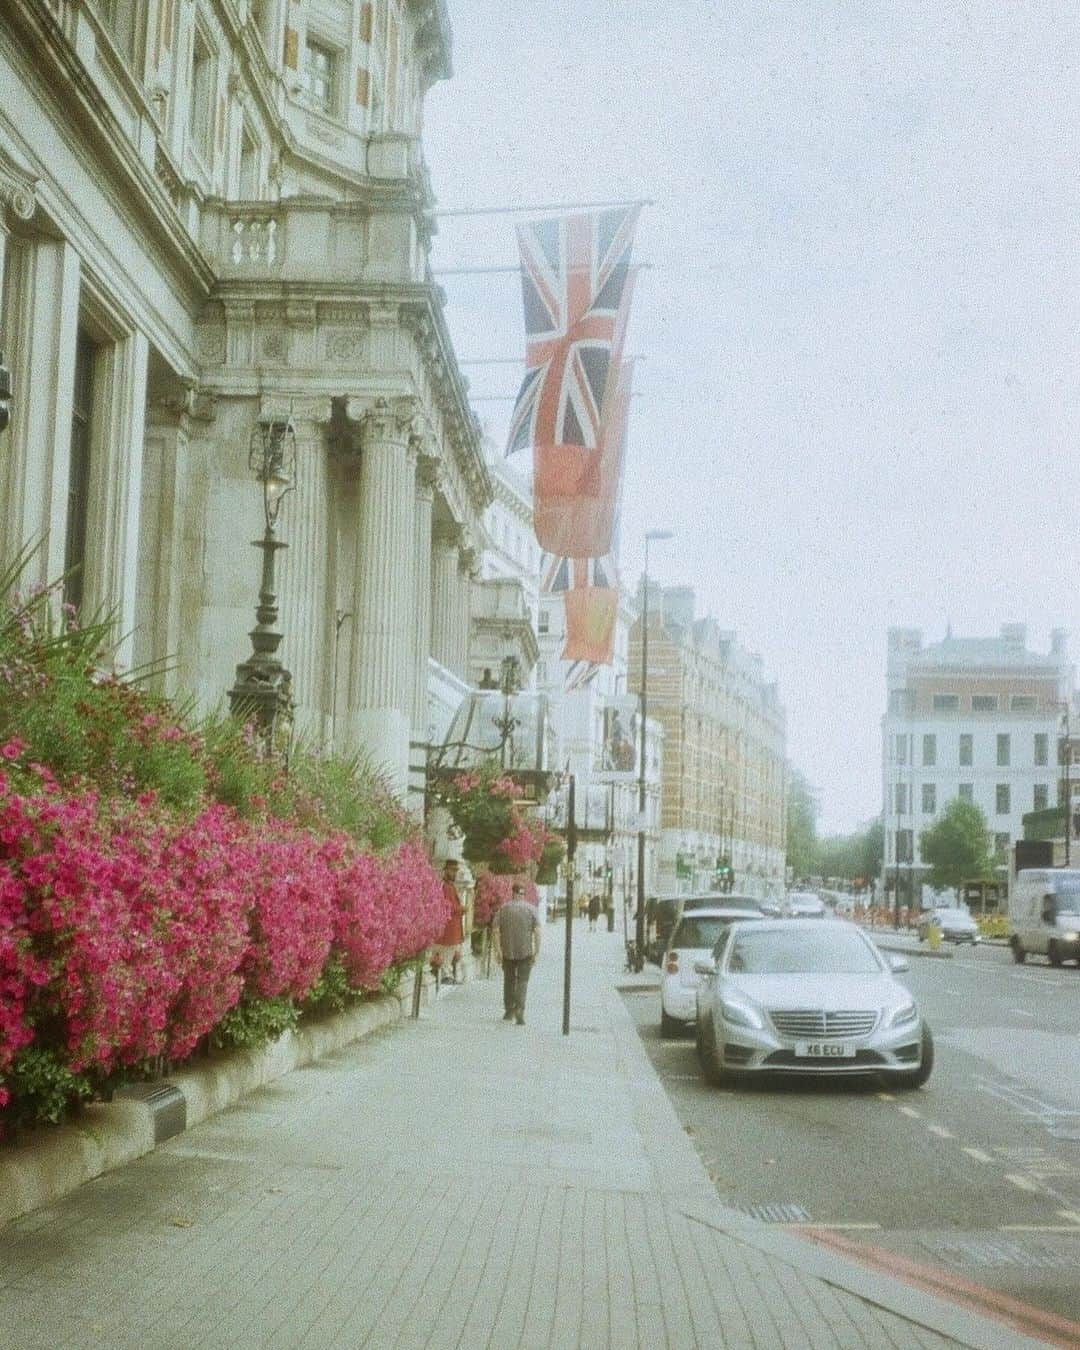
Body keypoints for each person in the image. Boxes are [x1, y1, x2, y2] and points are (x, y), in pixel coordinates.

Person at [492, 883, 540, 1025]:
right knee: (523, 981)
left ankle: (509, 1010)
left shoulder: (503, 909)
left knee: (509, 980)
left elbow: (495, 931)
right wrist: (537, 951)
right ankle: (520, 1008)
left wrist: (498, 951)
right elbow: (537, 932)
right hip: (525, 951)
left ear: (512, 893)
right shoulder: (531, 909)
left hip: (508, 951)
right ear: (523, 894)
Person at [433, 859, 466, 984]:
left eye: (455, 871)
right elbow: (449, 906)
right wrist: (463, 909)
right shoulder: (447, 887)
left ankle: (446, 974)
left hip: (452, 927)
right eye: (452, 870)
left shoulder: (450, 886)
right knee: (447, 951)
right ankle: (446, 975)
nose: (454, 873)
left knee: (449, 951)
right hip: (450, 927)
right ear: (446, 870)